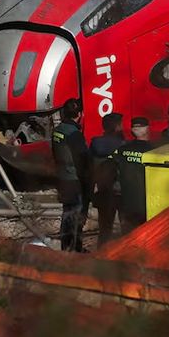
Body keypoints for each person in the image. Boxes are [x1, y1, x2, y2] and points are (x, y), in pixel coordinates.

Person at [51, 99, 90, 252]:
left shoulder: (58, 130)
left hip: (62, 178)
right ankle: (75, 247)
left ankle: (65, 245)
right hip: (74, 180)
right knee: (76, 214)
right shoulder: (74, 134)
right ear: (80, 114)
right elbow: (82, 159)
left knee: (67, 213)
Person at [88, 113, 126, 243]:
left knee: (104, 230)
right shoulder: (123, 145)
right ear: (117, 127)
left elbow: (89, 167)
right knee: (127, 230)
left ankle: (102, 256)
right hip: (121, 192)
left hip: (103, 191)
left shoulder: (95, 144)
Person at [113, 117, 154, 233]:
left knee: (127, 235)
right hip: (145, 202)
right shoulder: (154, 150)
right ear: (147, 129)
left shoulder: (122, 150)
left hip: (126, 201)